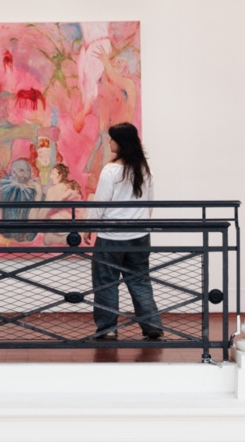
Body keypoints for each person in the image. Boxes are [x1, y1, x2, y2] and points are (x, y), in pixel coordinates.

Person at [89, 122, 162, 342]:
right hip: (139, 236)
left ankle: (108, 329)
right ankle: (152, 325)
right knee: (140, 280)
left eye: (112, 139)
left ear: (120, 142)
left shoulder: (111, 170)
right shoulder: (144, 169)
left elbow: (100, 204)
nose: (109, 142)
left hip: (111, 237)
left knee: (106, 282)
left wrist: (89, 227)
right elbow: (149, 204)